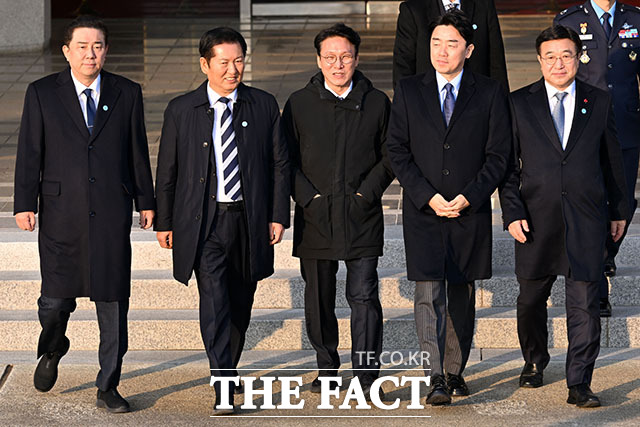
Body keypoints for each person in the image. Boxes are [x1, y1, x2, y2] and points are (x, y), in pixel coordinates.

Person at [13, 15, 155, 413]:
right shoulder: (43, 92)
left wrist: (146, 200)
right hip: (62, 214)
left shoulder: (127, 92)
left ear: (106, 51)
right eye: (82, 46)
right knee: (54, 302)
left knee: (113, 304)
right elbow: (29, 151)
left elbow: (137, 151)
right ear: (66, 51)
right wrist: (24, 202)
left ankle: (108, 385)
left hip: (110, 213)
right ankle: (53, 347)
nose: (90, 54)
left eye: (97, 46)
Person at [154, 27, 290, 415]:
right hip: (204, 223)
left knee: (241, 303)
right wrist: (165, 221)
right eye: (224, 62)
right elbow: (167, 170)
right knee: (214, 301)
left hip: (249, 220)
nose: (233, 70)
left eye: (239, 61)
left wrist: (278, 215)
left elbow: (280, 164)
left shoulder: (263, 104)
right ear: (205, 64)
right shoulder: (181, 109)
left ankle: (227, 365)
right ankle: (224, 381)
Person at [499, 25, 628, 407]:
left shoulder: (598, 100)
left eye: (566, 55)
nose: (559, 63)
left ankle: (579, 382)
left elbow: (612, 160)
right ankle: (534, 360)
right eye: (551, 56)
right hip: (535, 220)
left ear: (578, 58)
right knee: (530, 300)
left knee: (585, 303)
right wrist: (512, 212)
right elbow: (507, 167)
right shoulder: (519, 102)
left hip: (586, 218)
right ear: (540, 61)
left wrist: (619, 209)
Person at [386, 10, 511, 406]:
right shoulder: (410, 90)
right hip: (424, 210)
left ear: (469, 50)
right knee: (428, 294)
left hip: (468, 209)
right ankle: (435, 375)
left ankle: (455, 370)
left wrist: (471, 195)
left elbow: (499, 154)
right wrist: (426, 195)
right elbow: (396, 150)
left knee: (461, 293)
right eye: (436, 42)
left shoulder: (489, 92)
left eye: (452, 44)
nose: (442, 51)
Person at [282, 23, 394, 397]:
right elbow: (284, 159)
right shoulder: (299, 103)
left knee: (364, 298)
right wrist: (308, 198)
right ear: (318, 60)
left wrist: (365, 195)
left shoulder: (376, 102)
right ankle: (327, 368)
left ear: (357, 59)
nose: (338, 64)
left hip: (362, 216)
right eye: (329, 57)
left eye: (345, 56)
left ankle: (366, 376)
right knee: (318, 299)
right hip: (315, 216)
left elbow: (390, 155)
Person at [554, 1, 640, 317]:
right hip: (586, 126)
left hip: (626, 124)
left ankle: (607, 252)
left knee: (624, 202)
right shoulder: (570, 20)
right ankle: (598, 286)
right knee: (592, 204)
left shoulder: (635, 19)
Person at [393, 0, 509, 90]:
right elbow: (403, 65)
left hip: (478, 100)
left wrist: (502, 103)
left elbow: (496, 62)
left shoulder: (483, 5)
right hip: (426, 101)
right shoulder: (413, 9)